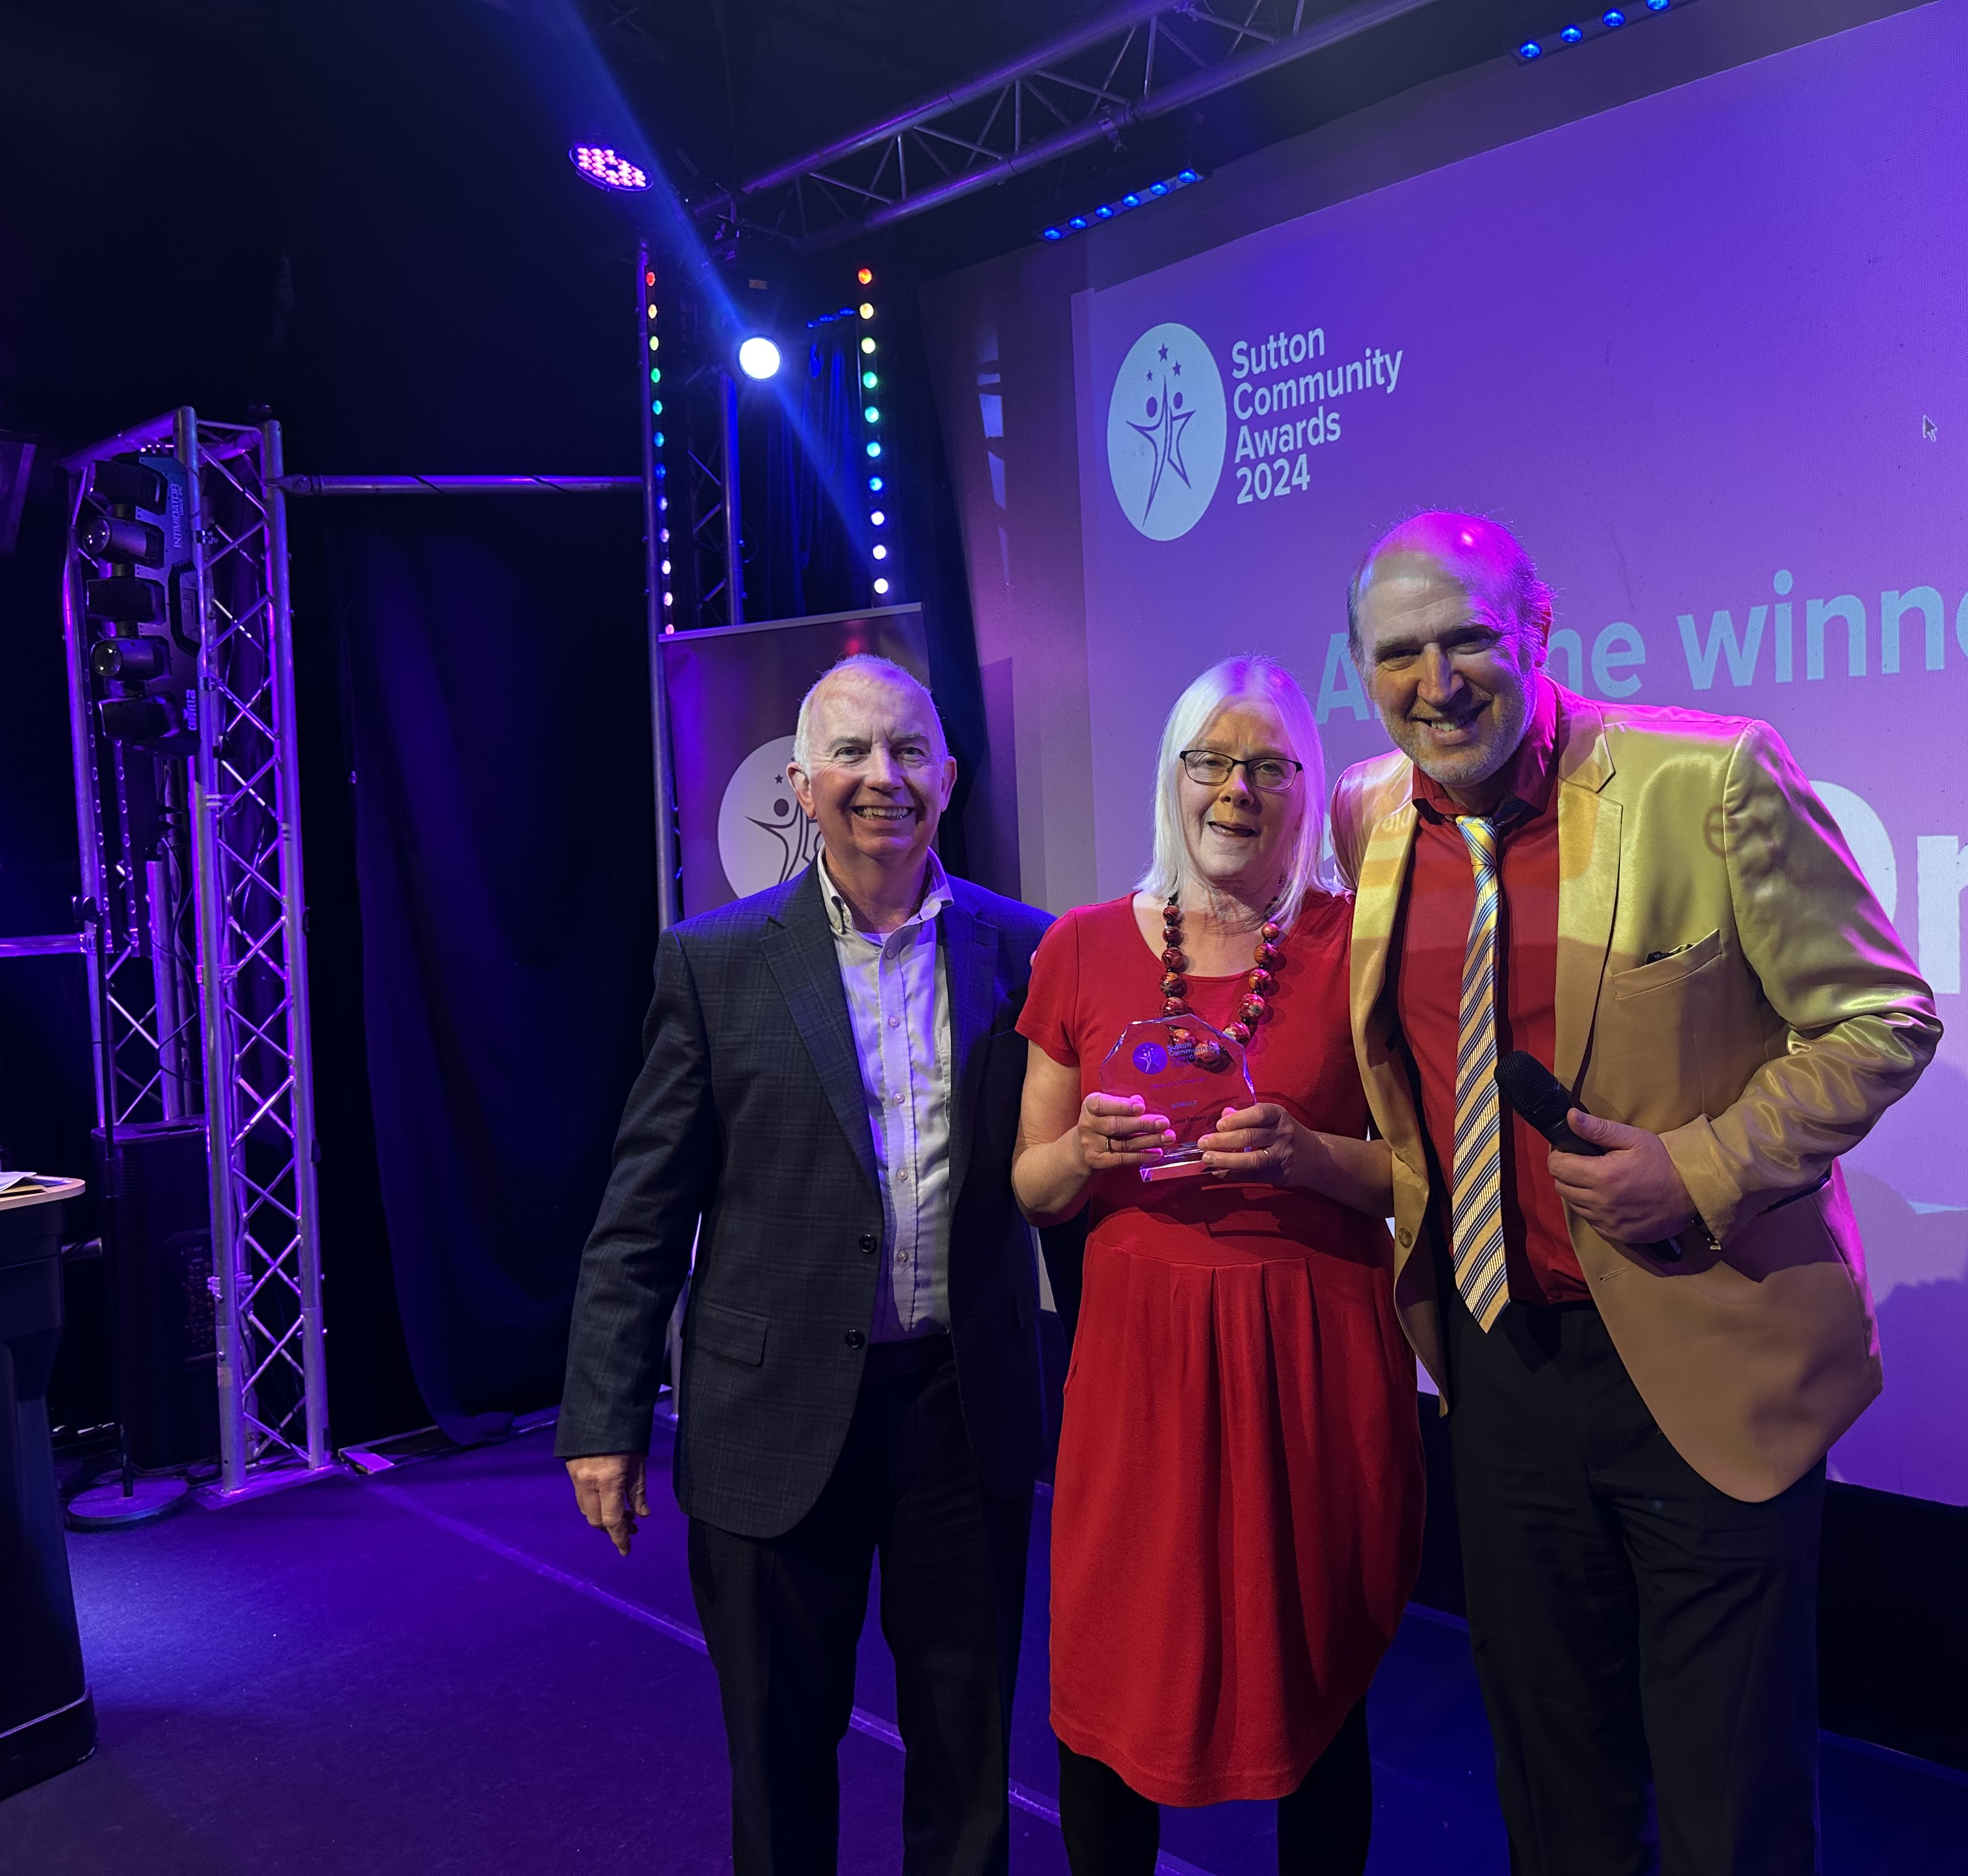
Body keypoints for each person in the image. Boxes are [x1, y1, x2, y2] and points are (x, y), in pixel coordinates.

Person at [1330, 513, 1941, 1876]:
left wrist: (1703, 1166)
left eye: (1471, 639)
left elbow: (1881, 1017)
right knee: (1556, 1793)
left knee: (1733, 1813)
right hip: (1497, 1367)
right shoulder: (1368, 811)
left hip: (1702, 1355)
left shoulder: (1709, 778)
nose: (1437, 683)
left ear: (1541, 630)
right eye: (1399, 655)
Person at [556, 654, 1053, 1876]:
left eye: (908, 751)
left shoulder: (1028, 953)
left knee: (966, 1754)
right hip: (767, 1421)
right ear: (799, 784)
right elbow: (642, 1214)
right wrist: (604, 1423)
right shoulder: (713, 965)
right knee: (780, 1759)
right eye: (851, 752)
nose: (882, 777)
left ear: (951, 774)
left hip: (960, 1416)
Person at [1011, 655, 1422, 1876]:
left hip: (1315, 1360)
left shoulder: (1365, 947)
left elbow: (1429, 1179)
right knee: (1112, 1669)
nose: (1236, 790)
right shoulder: (1082, 947)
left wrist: (1308, 1156)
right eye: (1210, 763)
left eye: (1268, 767)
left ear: (1307, 793)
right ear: (1171, 781)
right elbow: (1028, 1185)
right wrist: (1083, 1150)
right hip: (1140, 1371)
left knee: (1319, 1672)